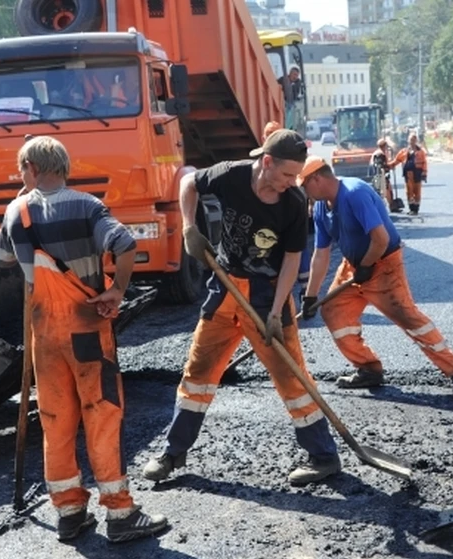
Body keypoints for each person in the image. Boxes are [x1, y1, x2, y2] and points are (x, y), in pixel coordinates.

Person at [0, 136, 168, 544]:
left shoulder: (17, 211)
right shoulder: (87, 207)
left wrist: (19, 202)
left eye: (22, 170)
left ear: (32, 168)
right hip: (86, 329)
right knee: (101, 416)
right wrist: (117, 291)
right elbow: (124, 244)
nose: (21, 177)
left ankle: (69, 513)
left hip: (44, 336)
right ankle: (120, 514)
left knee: (56, 421)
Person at [142, 129, 341, 486]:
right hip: (226, 286)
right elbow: (188, 183)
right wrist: (189, 228)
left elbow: (293, 262)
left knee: (292, 377)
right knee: (198, 373)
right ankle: (174, 452)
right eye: (285, 174)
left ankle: (324, 457)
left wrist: (276, 312)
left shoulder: (294, 202)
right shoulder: (230, 175)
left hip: (268, 292)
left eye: (295, 176)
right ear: (266, 162)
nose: (291, 182)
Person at [298, 155, 453, 397]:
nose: (303, 190)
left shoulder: (355, 193)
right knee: (333, 311)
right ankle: (368, 369)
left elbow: (380, 239)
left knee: (408, 318)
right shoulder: (320, 207)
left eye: (304, 184)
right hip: (354, 265)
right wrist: (310, 296)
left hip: (383, 264)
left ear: (316, 178)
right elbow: (321, 254)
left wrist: (368, 265)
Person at [264, 120, 312, 293]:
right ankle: (304, 287)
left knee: (295, 247)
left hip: (285, 212)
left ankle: (302, 287)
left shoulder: (283, 160)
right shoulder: (272, 160)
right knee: (296, 246)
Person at [388, 132, 427, 215]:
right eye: (410, 140)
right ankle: (411, 208)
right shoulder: (404, 151)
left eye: (414, 140)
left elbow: (424, 163)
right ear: (408, 140)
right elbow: (397, 160)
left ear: (416, 141)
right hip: (408, 174)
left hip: (417, 173)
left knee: (417, 191)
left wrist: (424, 173)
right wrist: (389, 166)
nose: (412, 141)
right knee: (409, 191)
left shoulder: (421, 152)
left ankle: (416, 208)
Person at [370, 138, 396, 210]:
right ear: (384, 146)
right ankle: (389, 205)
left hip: (377, 175)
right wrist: (390, 166)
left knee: (386, 189)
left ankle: (391, 204)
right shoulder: (380, 154)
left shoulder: (378, 153)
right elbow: (381, 166)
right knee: (385, 190)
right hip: (380, 176)